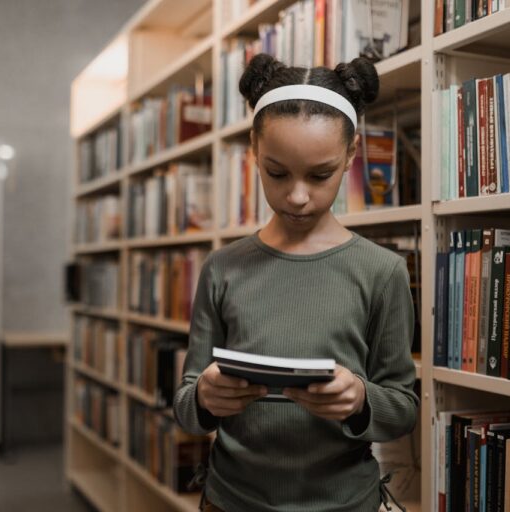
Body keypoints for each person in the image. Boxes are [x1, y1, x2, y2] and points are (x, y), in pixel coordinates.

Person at [173, 53, 419, 512]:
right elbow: (186, 406)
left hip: (344, 503)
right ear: (254, 151)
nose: (298, 196)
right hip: (231, 500)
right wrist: (205, 396)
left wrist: (360, 399)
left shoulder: (381, 271)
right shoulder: (222, 268)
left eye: (320, 175)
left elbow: (403, 408)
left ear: (350, 154)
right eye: (277, 173)